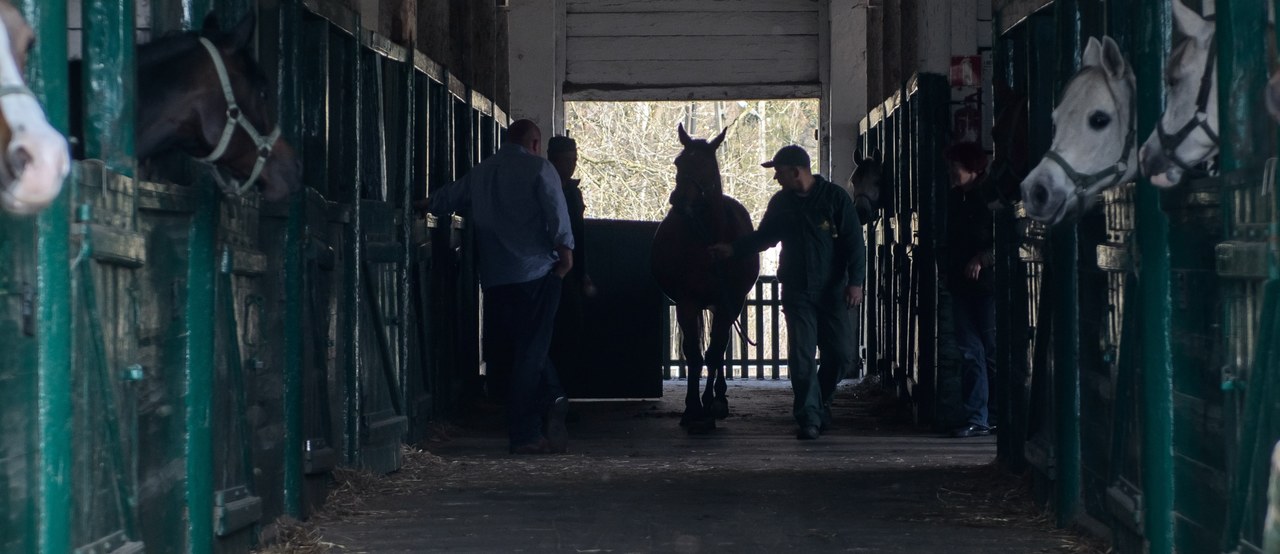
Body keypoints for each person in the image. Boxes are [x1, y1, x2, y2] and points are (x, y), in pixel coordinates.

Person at [428, 119, 573, 454]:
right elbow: (556, 212)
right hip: (536, 273)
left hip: (495, 279)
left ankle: (554, 396)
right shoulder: (540, 169)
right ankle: (526, 432)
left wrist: (421, 203)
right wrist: (565, 256)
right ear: (535, 143)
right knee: (530, 353)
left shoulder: (482, 172)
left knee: (523, 348)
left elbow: (447, 198)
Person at [709, 145, 865, 440]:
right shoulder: (781, 203)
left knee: (842, 355)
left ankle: (818, 403)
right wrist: (733, 249)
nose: (776, 179)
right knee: (802, 356)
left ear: (796, 171)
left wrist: (855, 282)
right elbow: (765, 237)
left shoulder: (835, 199)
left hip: (833, 291)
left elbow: (854, 243)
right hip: (797, 290)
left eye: (778, 173)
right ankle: (809, 418)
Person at [942, 141, 997, 439]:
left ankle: (993, 415)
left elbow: (1005, 239)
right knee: (971, 351)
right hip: (962, 286)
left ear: (973, 170)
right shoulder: (956, 198)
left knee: (987, 352)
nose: (952, 173)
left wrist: (983, 259)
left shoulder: (989, 199)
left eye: (956, 168)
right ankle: (979, 416)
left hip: (987, 287)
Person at [547, 136, 596, 392]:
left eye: (574, 160)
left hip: (571, 272)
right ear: (553, 161)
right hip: (549, 270)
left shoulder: (572, 192)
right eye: (567, 160)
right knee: (553, 334)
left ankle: (562, 394)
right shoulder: (546, 189)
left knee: (570, 332)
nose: (572, 166)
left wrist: (583, 272)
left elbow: (579, 236)